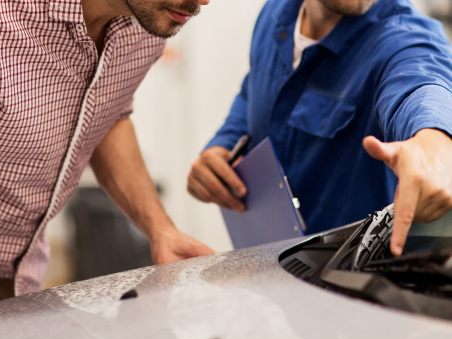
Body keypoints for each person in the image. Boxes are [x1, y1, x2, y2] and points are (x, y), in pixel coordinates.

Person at [0, 0, 215, 312]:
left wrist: (161, 230)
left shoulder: (146, 28)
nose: (204, 0)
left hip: (21, 276)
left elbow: (108, 116)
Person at [188, 0, 452, 256]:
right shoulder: (275, 13)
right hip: (267, 270)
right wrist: (223, 143)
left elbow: (423, 85)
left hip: (350, 287)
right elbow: (254, 85)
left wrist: (434, 142)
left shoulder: (404, 39)